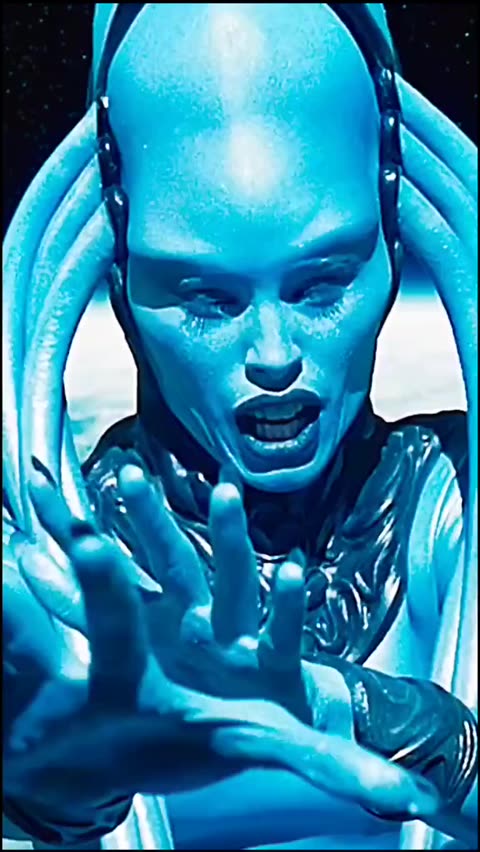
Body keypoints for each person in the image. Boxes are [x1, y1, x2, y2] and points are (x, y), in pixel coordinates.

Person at [3, 3, 477, 850]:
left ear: (396, 237)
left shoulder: (447, 517)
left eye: (324, 284)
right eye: (206, 299)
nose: (274, 355)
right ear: (117, 273)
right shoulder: (48, 578)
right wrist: (52, 799)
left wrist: (342, 708)